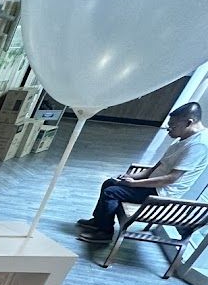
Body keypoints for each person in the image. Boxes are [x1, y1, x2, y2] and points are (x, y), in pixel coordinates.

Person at [78, 101, 208, 244]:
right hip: (153, 184)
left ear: (188, 123)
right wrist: (131, 177)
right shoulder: (182, 139)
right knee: (109, 182)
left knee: (111, 192)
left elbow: (171, 178)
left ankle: (105, 232)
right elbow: (156, 167)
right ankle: (99, 221)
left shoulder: (198, 144)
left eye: (173, 126)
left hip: (162, 193)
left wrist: (135, 184)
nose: (169, 130)